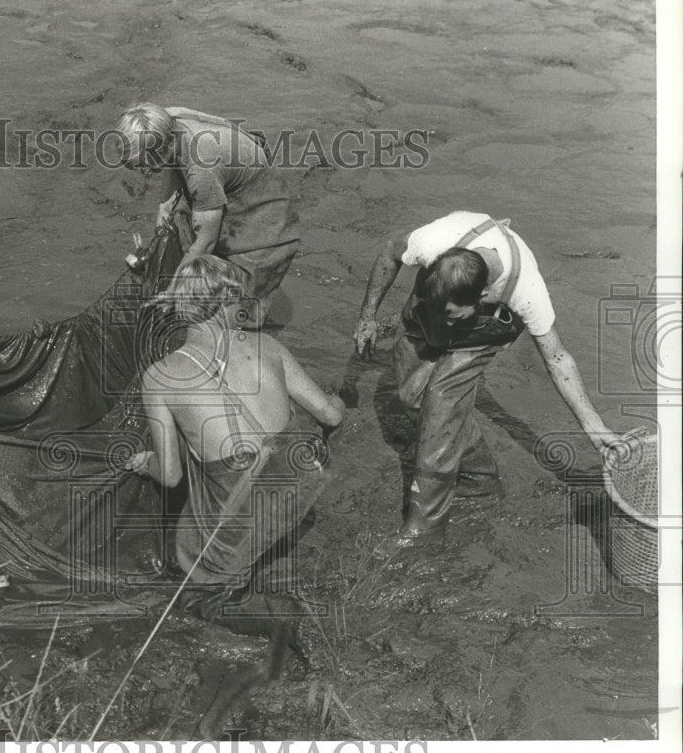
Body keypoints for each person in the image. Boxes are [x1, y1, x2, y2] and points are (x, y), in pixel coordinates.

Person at [352, 210, 620, 541]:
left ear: (481, 296)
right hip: (425, 316)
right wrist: (367, 317)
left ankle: (423, 530)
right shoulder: (433, 240)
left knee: (441, 407)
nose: (447, 319)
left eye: (453, 314)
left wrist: (594, 428)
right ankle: (479, 479)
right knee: (413, 396)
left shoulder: (526, 289)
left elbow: (558, 356)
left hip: (484, 332)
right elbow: (389, 252)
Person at [127, 255, 344, 614]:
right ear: (225, 303)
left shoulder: (160, 376)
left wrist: (145, 461)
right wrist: (337, 401)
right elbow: (330, 416)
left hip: (241, 512)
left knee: (191, 569)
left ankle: (253, 601)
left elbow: (170, 476)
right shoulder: (268, 346)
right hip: (296, 493)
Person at [117, 103, 300, 324]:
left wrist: (173, 291)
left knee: (241, 314)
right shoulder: (169, 120)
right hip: (233, 195)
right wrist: (154, 249)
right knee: (200, 288)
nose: (145, 173)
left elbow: (205, 244)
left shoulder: (202, 166)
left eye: (147, 165)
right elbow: (167, 205)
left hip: (268, 224)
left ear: (166, 145)